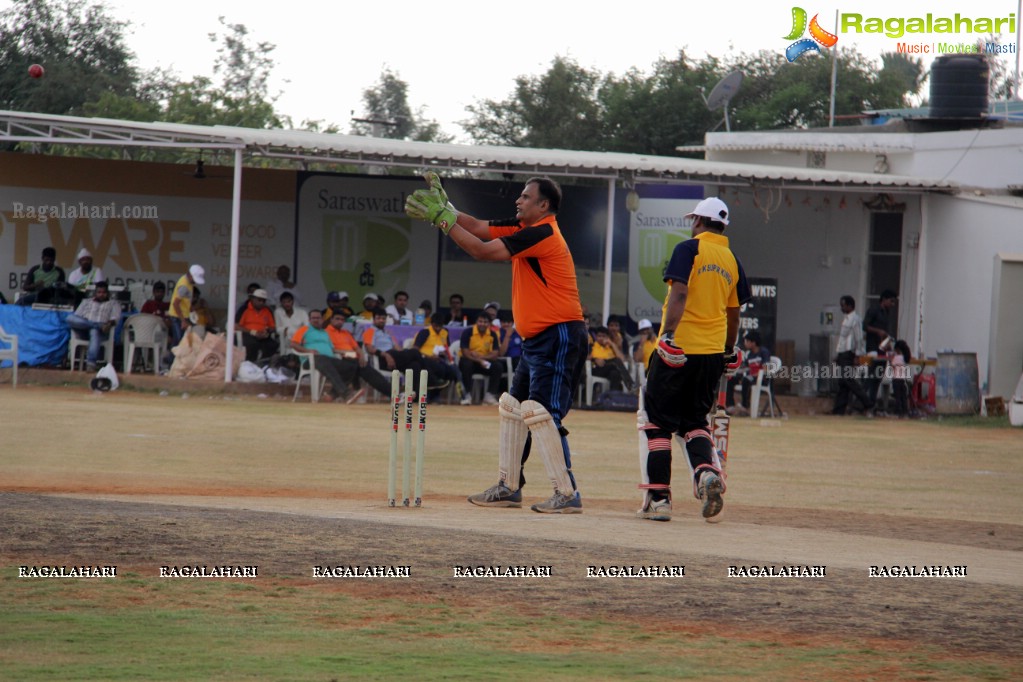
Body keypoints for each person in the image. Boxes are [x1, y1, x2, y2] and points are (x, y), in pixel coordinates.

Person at [406, 172, 588, 514]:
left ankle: (567, 493)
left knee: (543, 415)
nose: (518, 201)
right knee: (513, 408)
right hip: (538, 339)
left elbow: (481, 251)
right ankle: (509, 487)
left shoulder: (542, 233)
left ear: (543, 205)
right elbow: (475, 226)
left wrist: (442, 221)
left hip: (560, 334)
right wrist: (446, 208)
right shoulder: (524, 228)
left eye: (525, 197)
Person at [637, 197, 750, 523]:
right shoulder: (731, 259)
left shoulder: (689, 249)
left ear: (699, 221)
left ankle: (659, 500)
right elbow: (734, 314)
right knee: (695, 423)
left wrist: (667, 335)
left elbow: (680, 293)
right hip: (712, 355)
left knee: (658, 424)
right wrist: (729, 350)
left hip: (679, 349)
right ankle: (705, 472)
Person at [363, 309, 444, 393]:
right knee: (415, 352)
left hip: (394, 356)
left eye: (383, 318)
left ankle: (413, 397)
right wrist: (386, 355)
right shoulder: (370, 331)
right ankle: (432, 380)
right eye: (378, 318)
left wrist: (404, 353)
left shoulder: (387, 332)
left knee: (414, 365)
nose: (381, 320)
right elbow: (370, 349)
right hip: (382, 358)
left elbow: (397, 347)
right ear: (373, 319)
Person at [290, 309, 359, 403]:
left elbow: (332, 349)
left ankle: (332, 395)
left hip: (328, 359)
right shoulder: (304, 329)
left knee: (350, 366)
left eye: (318, 318)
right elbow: (294, 344)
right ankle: (346, 394)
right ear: (309, 320)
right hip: (310, 360)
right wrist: (308, 350)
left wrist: (347, 352)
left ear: (322, 319)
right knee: (323, 359)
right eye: (313, 318)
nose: (315, 320)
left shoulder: (325, 333)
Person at [325, 309, 392, 398]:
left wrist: (362, 355)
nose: (340, 322)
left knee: (364, 366)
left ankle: (350, 390)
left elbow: (357, 347)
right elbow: (329, 349)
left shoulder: (346, 333)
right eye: (337, 319)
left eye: (342, 320)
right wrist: (345, 352)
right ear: (331, 319)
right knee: (363, 368)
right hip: (338, 357)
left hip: (352, 357)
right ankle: (391, 393)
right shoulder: (325, 332)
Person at [831, 295, 873, 416]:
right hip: (843, 354)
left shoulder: (855, 319)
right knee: (843, 383)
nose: (842, 307)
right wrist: (838, 354)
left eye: (843, 305)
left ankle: (867, 403)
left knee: (848, 380)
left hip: (850, 353)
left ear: (850, 306)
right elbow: (843, 339)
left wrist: (858, 355)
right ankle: (838, 410)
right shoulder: (846, 319)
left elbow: (858, 338)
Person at [66, 280, 122, 371]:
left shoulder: (114, 303)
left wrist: (108, 324)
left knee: (94, 331)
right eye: (99, 292)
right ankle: (96, 325)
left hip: (102, 333)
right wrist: (97, 325)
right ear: (95, 293)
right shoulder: (86, 302)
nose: (101, 294)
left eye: (104, 292)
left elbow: (116, 318)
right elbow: (76, 317)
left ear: (108, 293)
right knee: (69, 318)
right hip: (83, 331)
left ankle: (91, 364)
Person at [863, 289, 898, 413]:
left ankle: (871, 405)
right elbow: (865, 326)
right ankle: (862, 403)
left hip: (882, 350)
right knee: (870, 377)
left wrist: (889, 347)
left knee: (878, 378)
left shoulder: (886, 314)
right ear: (884, 299)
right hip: (873, 348)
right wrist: (878, 331)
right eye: (891, 301)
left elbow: (885, 334)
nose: (892, 305)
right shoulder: (874, 310)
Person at [413, 312, 461, 399]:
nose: (438, 328)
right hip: (425, 358)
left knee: (452, 372)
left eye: (440, 326)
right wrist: (429, 356)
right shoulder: (425, 332)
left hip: (439, 359)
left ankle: (436, 394)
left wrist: (444, 353)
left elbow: (447, 347)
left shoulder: (445, 332)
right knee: (437, 369)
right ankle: (432, 395)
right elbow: (415, 349)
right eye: (436, 326)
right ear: (432, 324)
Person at [458, 312, 503, 405]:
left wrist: (481, 357)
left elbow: (495, 354)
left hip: (484, 362)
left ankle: (489, 395)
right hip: (470, 360)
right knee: (467, 365)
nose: (482, 324)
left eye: (485, 322)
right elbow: (465, 353)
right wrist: (479, 360)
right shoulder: (468, 332)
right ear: (476, 322)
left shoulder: (492, 334)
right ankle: (467, 395)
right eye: (480, 321)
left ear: (489, 324)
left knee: (497, 366)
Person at [725, 330, 771, 416]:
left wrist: (754, 375)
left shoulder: (764, 352)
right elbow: (745, 368)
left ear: (753, 342)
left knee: (746, 379)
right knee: (730, 379)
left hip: (761, 379)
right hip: (750, 378)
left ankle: (745, 407)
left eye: (747, 341)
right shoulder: (750, 354)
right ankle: (730, 406)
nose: (745, 343)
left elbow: (766, 370)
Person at [237, 288, 277, 364]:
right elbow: (237, 326)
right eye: (259, 300)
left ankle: (264, 364)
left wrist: (267, 331)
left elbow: (272, 327)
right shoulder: (244, 309)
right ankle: (250, 364)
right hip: (248, 334)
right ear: (253, 299)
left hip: (263, 335)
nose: (261, 302)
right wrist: (253, 332)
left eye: (263, 301)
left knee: (273, 345)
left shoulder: (267, 311)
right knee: (252, 344)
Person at [589, 325, 633, 392]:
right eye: (599, 336)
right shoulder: (593, 346)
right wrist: (594, 359)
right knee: (616, 361)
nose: (601, 338)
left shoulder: (610, 347)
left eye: (603, 336)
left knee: (615, 373)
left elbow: (622, 359)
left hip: (610, 369)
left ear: (607, 337)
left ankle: (613, 396)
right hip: (597, 369)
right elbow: (586, 357)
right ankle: (630, 384)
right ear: (596, 337)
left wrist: (612, 344)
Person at [168, 264, 204, 344]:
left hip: (182, 315)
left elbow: (185, 300)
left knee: (180, 342)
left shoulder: (187, 281)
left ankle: (172, 356)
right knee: (179, 342)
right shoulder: (184, 286)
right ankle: (171, 357)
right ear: (191, 276)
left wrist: (191, 309)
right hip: (177, 317)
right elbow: (175, 304)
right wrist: (183, 321)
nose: (195, 282)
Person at [891, 340, 913, 418]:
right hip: (902, 380)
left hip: (896, 379)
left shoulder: (896, 358)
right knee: (903, 396)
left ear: (897, 349)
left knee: (897, 396)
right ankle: (905, 411)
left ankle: (898, 411)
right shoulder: (904, 358)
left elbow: (892, 365)